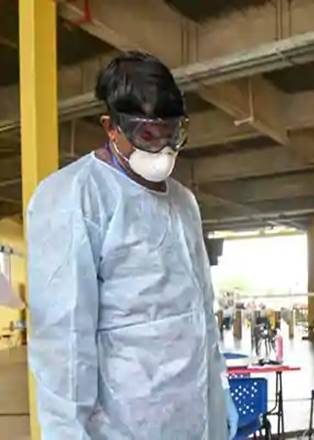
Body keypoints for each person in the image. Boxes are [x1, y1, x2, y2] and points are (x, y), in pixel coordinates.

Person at [27, 52, 238, 439]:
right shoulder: (76, 197)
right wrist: (68, 431)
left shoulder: (183, 203)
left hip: (195, 417)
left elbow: (201, 313)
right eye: (147, 136)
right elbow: (63, 343)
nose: (163, 149)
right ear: (111, 127)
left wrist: (219, 389)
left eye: (171, 134)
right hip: (125, 424)